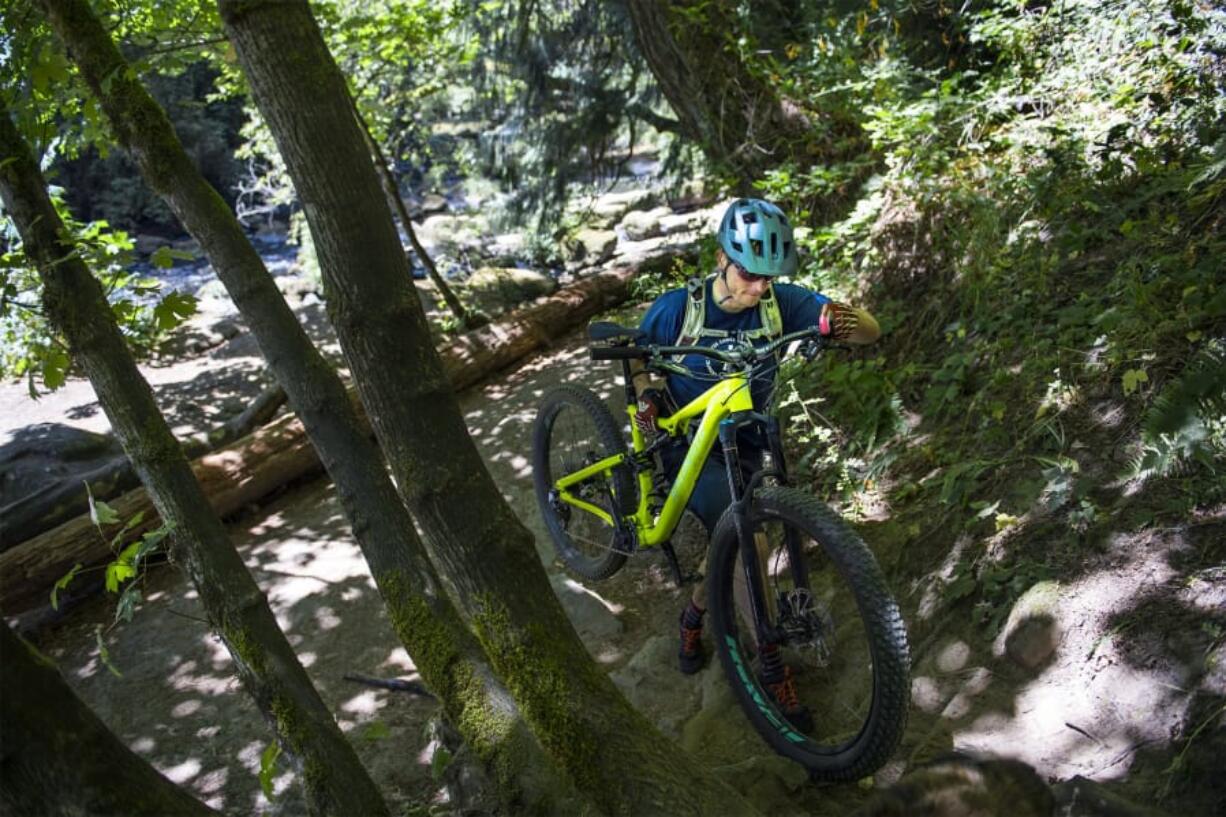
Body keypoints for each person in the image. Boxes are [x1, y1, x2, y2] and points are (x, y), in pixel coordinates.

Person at [631, 197, 881, 729]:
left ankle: (696, 614)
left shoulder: (779, 303)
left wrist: (837, 322)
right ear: (722, 257)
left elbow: (868, 331)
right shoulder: (679, 308)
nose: (757, 288)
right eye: (748, 274)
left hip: (746, 443)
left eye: (770, 278)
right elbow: (637, 360)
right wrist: (647, 395)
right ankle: (770, 665)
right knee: (750, 541)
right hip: (690, 452)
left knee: (740, 539)